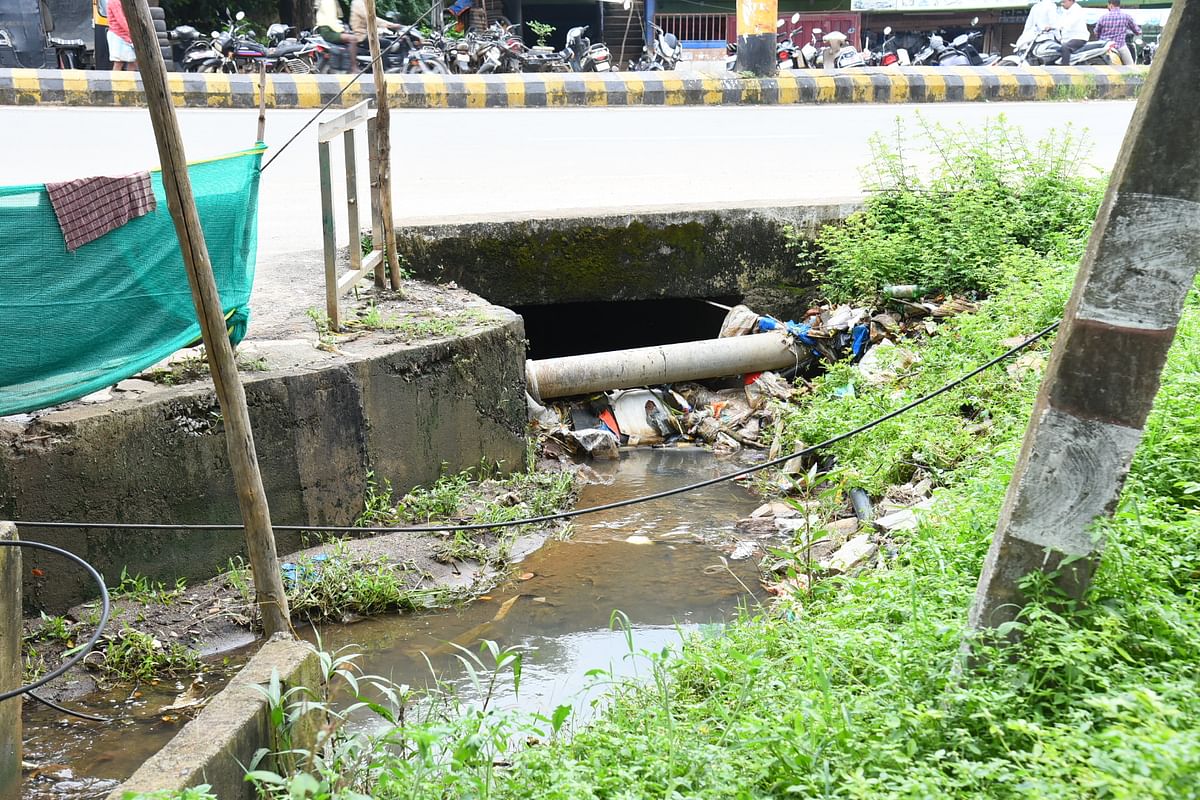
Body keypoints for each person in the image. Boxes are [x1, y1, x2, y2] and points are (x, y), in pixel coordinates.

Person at [314, 0, 362, 70]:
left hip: (328, 28)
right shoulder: (328, 2)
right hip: (328, 30)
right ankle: (354, 67)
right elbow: (330, 20)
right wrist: (341, 30)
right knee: (353, 39)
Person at [1093, 0, 1141, 64]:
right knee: (1130, 67)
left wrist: (1099, 37)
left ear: (1111, 5)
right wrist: (1138, 32)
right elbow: (1137, 31)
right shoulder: (1126, 17)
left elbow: (1096, 32)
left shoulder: (1103, 17)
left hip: (1104, 47)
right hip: (1120, 46)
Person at [105, 0, 136, 71]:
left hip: (127, 35)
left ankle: (130, 81)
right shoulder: (114, 1)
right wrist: (132, 32)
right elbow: (121, 20)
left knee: (133, 61)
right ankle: (115, 82)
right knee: (118, 62)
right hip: (117, 35)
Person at [1056, 0, 1089, 66]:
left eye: (1064, 2)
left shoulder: (1077, 10)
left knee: (1065, 47)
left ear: (1071, 1)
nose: (1062, 4)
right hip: (1068, 38)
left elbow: (1068, 23)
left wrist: (1053, 26)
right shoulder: (1066, 11)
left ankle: (1065, 69)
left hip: (1078, 38)